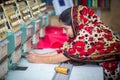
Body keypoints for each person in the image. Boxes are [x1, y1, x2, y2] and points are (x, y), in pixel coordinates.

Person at [26, 5, 120, 80]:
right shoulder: (86, 28)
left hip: (110, 74)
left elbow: (65, 55)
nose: (63, 32)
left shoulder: (89, 33)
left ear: (75, 24)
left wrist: (37, 60)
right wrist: (38, 55)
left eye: (65, 28)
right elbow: (64, 50)